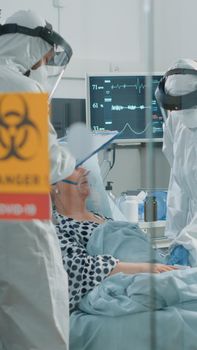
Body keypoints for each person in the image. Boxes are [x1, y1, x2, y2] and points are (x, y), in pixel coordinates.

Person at [0, 10, 76, 350]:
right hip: (18, 225)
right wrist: (70, 156)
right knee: (40, 325)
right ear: (30, 49)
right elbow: (45, 165)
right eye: (44, 59)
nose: (44, 67)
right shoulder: (18, 87)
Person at [51, 166, 177, 312]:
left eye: (81, 165)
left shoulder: (106, 219)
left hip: (160, 271)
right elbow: (78, 269)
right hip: (129, 283)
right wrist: (144, 269)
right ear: (54, 186)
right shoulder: (58, 226)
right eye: (73, 168)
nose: (83, 170)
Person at [155, 58, 197, 266]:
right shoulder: (175, 118)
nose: (185, 114)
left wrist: (188, 240)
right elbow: (178, 183)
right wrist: (175, 237)